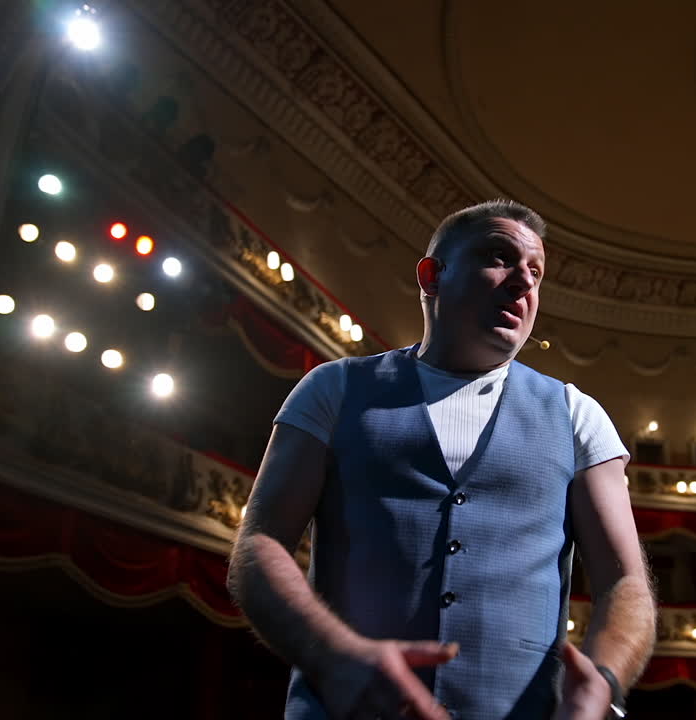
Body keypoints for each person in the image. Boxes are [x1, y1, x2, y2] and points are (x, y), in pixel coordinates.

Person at [229, 200, 655, 719]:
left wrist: (604, 682)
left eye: (537, 272)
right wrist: (334, 658)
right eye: (500, 257)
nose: (524, 282)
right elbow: (260, 543)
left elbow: (625, 583)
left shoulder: (577, 415)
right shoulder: (332, 389)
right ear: (432, 275)